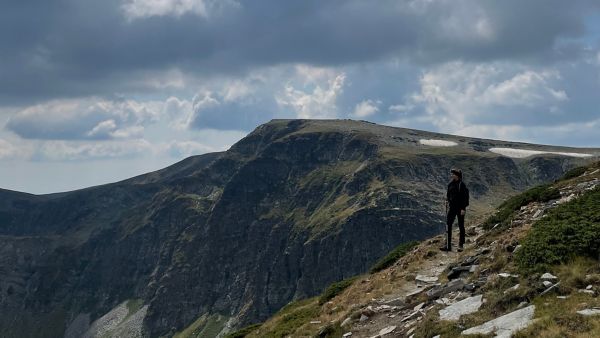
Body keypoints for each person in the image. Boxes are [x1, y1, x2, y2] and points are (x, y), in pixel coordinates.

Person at [440, 168, 469, 252]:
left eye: (453, 174)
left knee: (461, 225)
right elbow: (448, 195)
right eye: (451, 174)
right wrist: (447, 201)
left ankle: (461, 245)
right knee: (448, 224)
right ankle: (448, 245)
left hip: (460, 209)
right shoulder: (450, 184)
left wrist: (463, 208)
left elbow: (465, 198)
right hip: (452, 208)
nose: (451, 175)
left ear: (457, 175)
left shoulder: (462, 185)